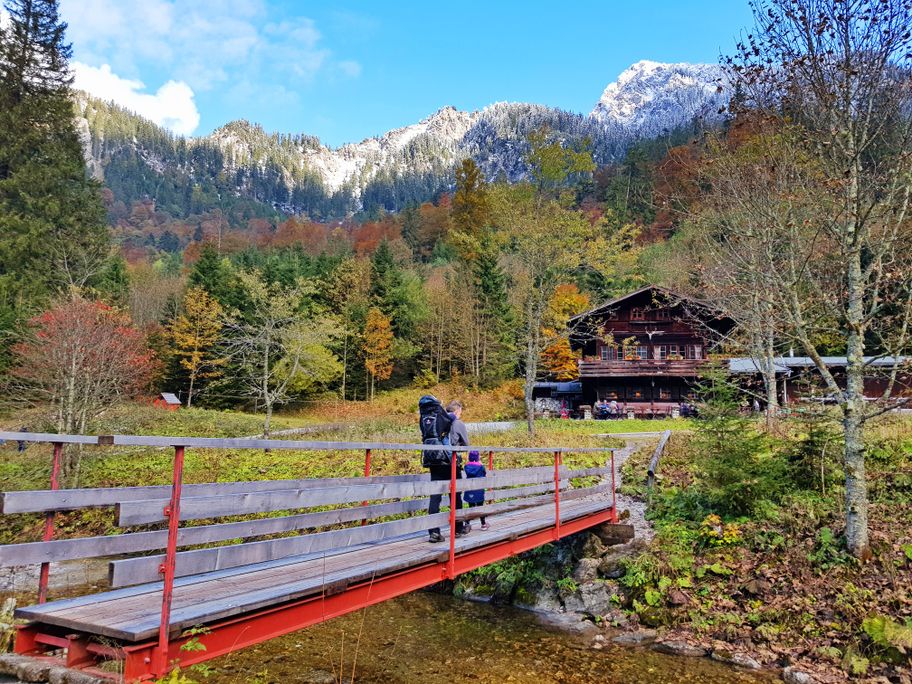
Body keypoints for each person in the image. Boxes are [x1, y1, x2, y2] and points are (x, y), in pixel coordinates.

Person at [463, 450, 489, 530]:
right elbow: (484, 474)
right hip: (478, 490)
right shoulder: (481, 467)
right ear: (478, 457)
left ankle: (467, 523)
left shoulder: (466, 466)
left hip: (470, 489)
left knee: (470, 506)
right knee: (480, 507)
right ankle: (483, 524)